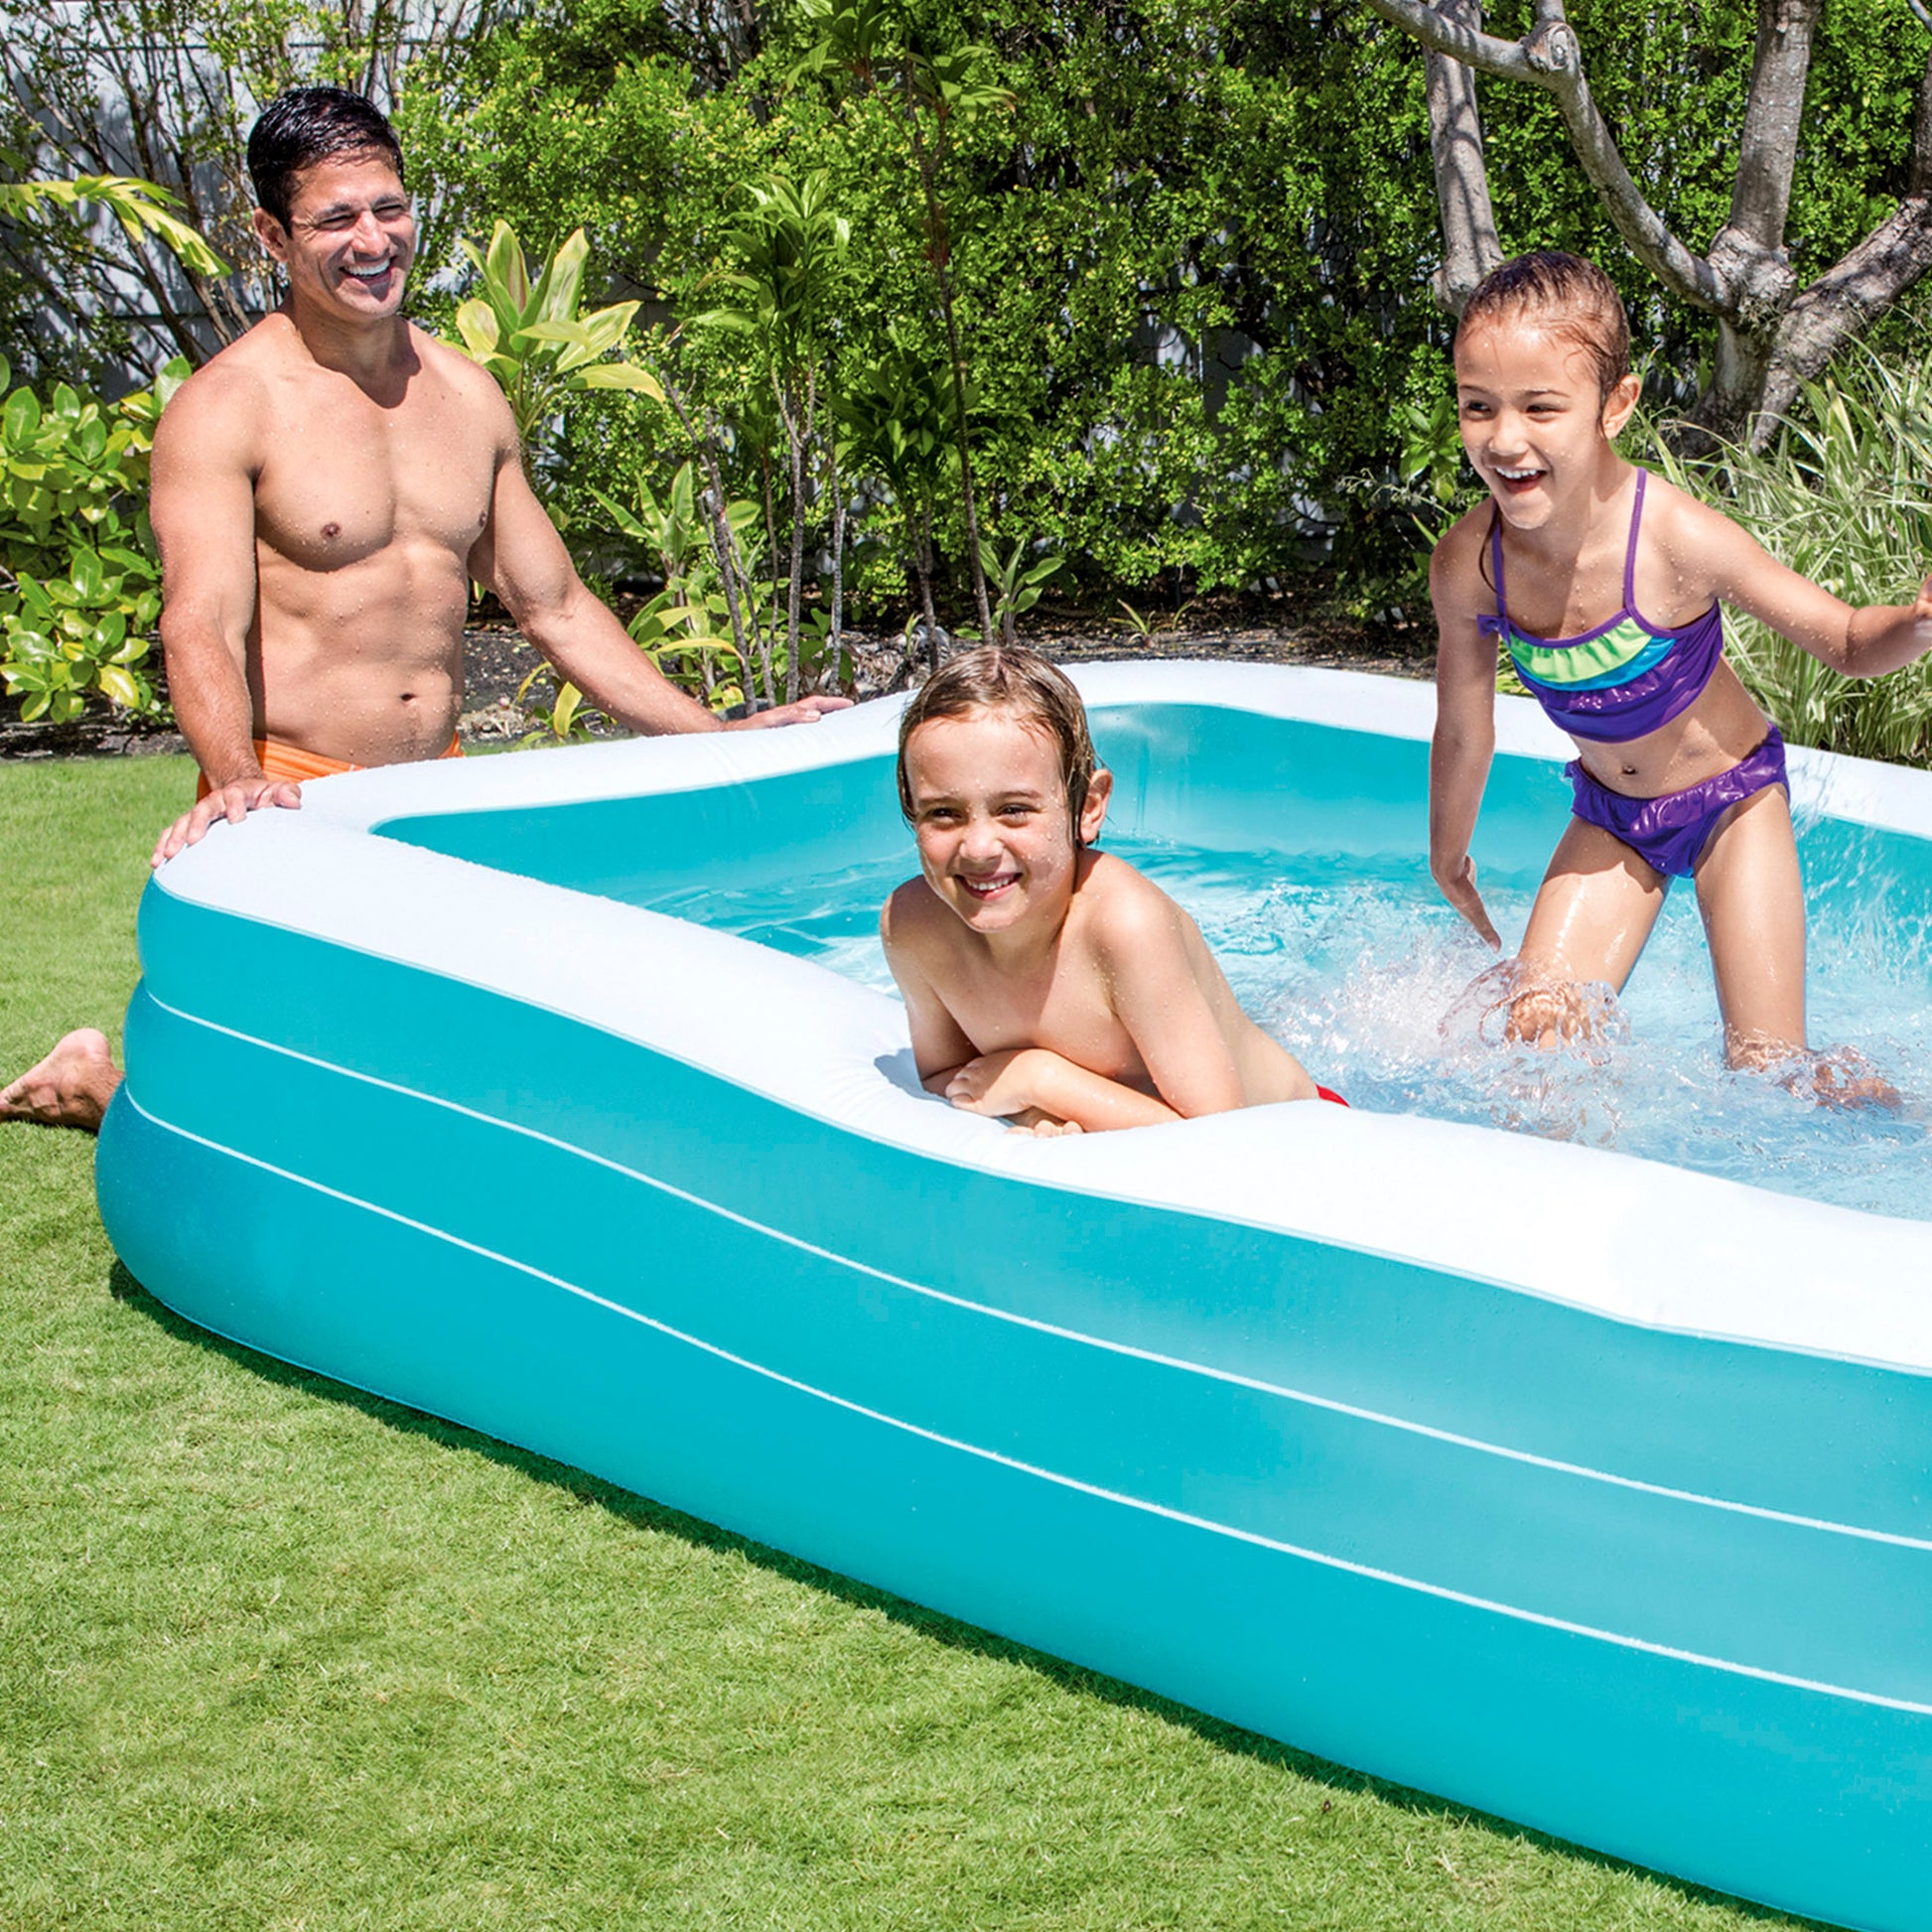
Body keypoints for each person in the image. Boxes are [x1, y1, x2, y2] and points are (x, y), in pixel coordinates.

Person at [1, 86, 847, 1133]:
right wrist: (236, 783)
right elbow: (201, 620)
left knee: (459, 1087)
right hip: (294, 795)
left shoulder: (465, 395)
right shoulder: (228, 407)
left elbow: (554, 604)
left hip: (433, 790)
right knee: (315, 1119)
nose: (374, 241)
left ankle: (109, 1075)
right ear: (272, 235)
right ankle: (98, 1081)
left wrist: (712, 736)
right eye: (335, 219)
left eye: (389, 208)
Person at [1429, 250, 1932, 1093]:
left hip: (1732, 804)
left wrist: (1916, 625)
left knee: (1770, 1073)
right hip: (1613, 817)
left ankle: (1892, 1111)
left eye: (1540, 407)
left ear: (1615, 404)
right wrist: (1446, 856)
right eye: (1478, 406)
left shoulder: (1673, 540)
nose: (1504, 439)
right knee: (1532, 1048)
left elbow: (1846, 642)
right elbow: (1463, 727)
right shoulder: (1471, 564)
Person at [881, 646, 1343, 1135]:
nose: (978, 848)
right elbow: (946, 1077)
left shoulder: (1124, 925)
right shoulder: (914, 927)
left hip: (1302, 1138)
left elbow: (1219, 1139)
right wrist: (1036, 1113)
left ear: (1088, 807)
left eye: (1014, 810)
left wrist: (1044, 1081)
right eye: (943, 813)